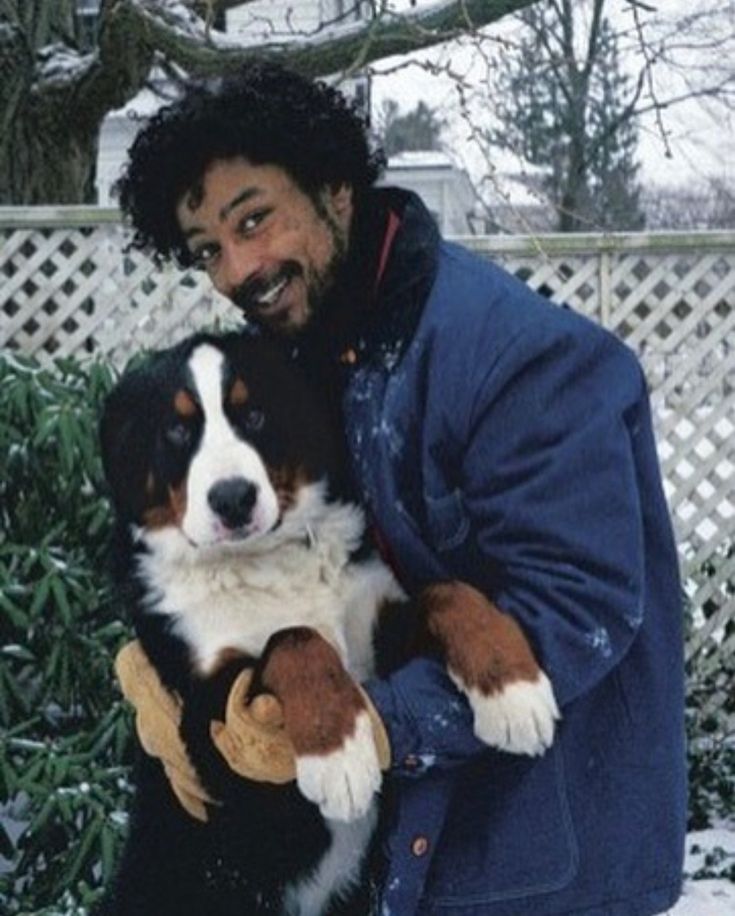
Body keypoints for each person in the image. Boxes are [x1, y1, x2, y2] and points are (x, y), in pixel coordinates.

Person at [113, 61, 687, 916]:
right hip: (402, 861)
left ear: (336, 187)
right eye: (209, 251)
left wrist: (370, 722)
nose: (238, 269)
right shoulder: (301, 349)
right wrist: (168, 670)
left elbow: (581, 606)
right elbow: (266, 568)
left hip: (538, 857)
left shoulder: (520, 357)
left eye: (255, 219)